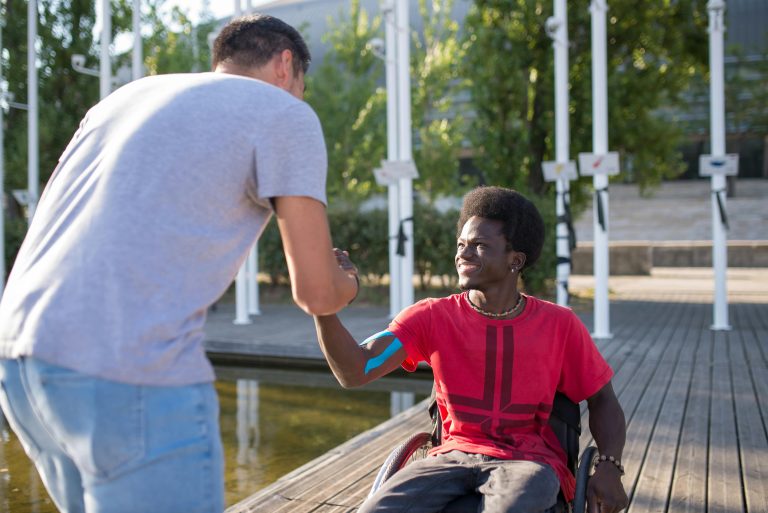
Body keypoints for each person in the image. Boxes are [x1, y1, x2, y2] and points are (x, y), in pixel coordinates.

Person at [0, 14, 358, 513]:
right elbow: (317, 292)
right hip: (127, 368)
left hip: (20, 362)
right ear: (285, 66)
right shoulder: (284, 111)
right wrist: (349, 283)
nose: (299, 96)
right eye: (301, 84)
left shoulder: (125, 98)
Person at [314, 186, 629, 513]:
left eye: (479, 246)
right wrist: (323, 305)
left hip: (527, 462)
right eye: (461, 244)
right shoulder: (431, 316)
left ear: (515, 260)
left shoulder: (559, 324)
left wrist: (609, 466)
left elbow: (603, 399)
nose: (463, 254)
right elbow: (355, 370)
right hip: (451, 457)